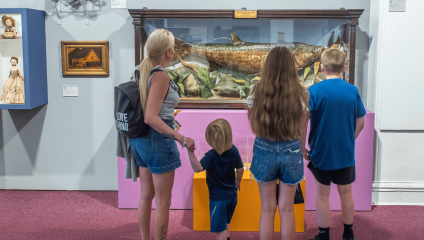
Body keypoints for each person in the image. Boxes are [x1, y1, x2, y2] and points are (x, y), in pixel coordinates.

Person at [129, 29, 195, 240]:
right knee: (163, 202)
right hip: (157, 141)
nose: (174, 50)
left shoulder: (139, 70)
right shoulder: (161, 75)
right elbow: (151, 116)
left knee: (146, 195)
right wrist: (181, 138)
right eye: (173, 47)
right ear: (168, 51)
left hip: (139, 140)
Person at [303, 48, 366, 240]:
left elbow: (302, 121)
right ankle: (348, 233)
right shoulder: (352, 90)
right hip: (345, 152)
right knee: (346, 192)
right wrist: (349, 140)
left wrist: (301, 146)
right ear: (344, 68)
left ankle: (323, 235)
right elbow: (361, 122)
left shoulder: (313, 91)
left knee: (322, 194)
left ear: (322, 68)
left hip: (321, 152)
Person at [247, 46, 309, 240]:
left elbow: (255, 129)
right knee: (287, 209)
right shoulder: (302, 93)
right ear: (292, 66)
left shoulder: (256, 91)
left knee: (267, 208)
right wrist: (301, 149)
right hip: (292, 149)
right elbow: (301, 130)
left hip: (264, 148)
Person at [186, 118, 244, 240]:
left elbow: (198, 168)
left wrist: (190, 152)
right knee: (226, 223)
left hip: (218, 199)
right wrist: (238, 181)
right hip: (232, 196)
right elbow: (240, 168)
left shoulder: (211, 155)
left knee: (220, 230)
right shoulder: (234, 150)